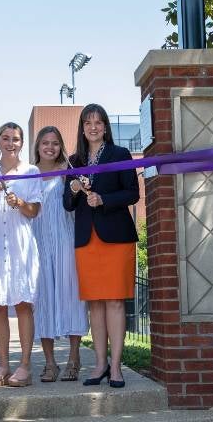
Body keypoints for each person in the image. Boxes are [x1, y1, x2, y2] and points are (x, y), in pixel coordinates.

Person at [63, 103, 139, 389]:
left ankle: (117, 367)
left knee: (115, 301)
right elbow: (67, 204)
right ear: (82, 128)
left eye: (98, 122)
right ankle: (99, 365)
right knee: (94, 304)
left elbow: (132, 193)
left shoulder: (120, 154)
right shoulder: (74, 160)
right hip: (86, 239)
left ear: (105, 126)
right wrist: (72, 189)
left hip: (116, 237)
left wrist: (103, 199)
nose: (93, 127)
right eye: (87, 123)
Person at [0, 122, 42, 388]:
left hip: (20, 246)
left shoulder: (31, 171)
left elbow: (35, 211)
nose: (11, 143)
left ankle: (24, 366)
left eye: (15, 139)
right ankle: (3, 364)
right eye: (6, 138)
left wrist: (21, 203)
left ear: (22, 143)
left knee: (23, 303)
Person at [31, 126, 88, 382]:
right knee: (42, 301)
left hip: (65, 240)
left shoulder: (68, 171)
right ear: (38, 146)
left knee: (71, 297)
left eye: (55, 143)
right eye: (45, 143)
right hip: (37, 244)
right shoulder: (28, 174)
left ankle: (74, 359)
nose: (50, 147)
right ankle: (50, 363)